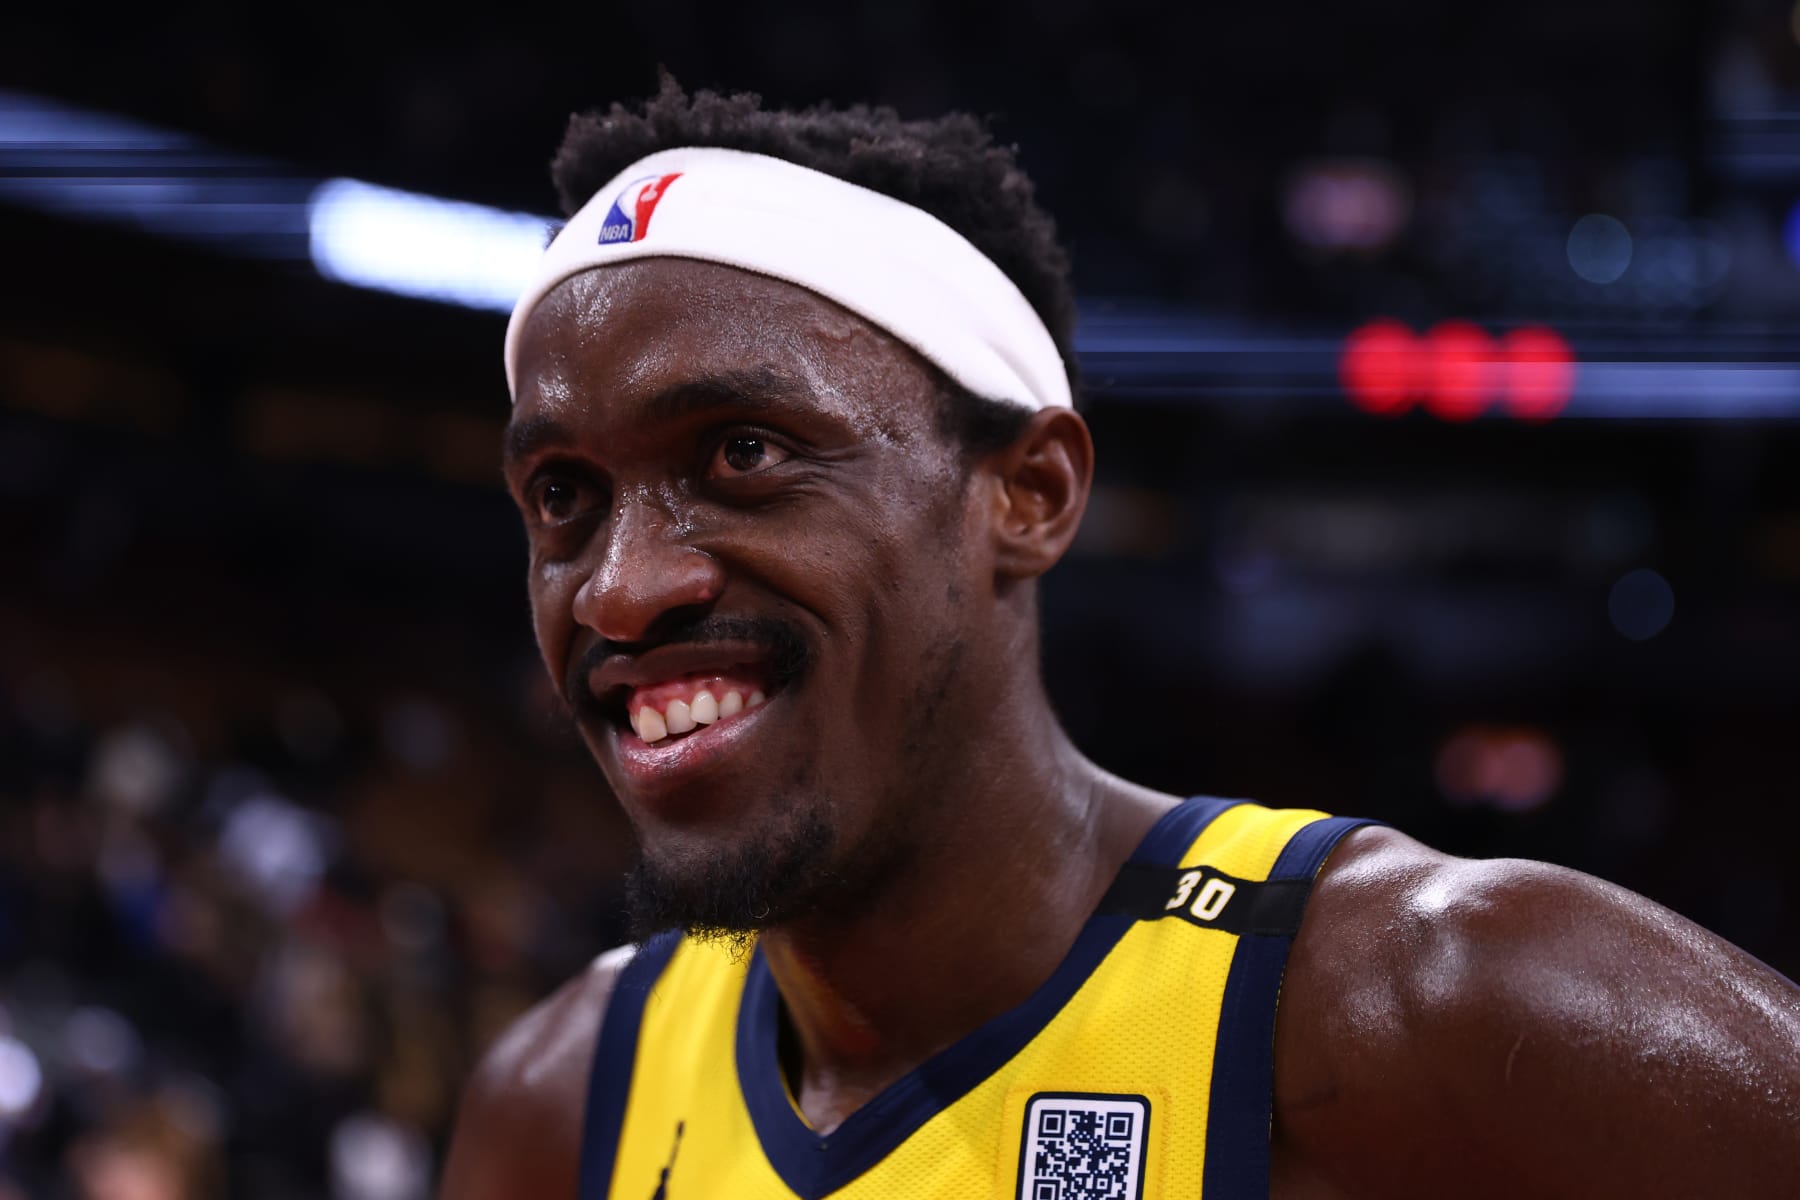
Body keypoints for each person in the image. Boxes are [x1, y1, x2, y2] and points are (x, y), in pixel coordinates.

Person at [441, 79, 1800, 1198]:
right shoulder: (559, 1109)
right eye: (563, 495)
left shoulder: (1454, 1009)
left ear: (1027, 496)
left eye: (744, 452)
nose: (620, 589)